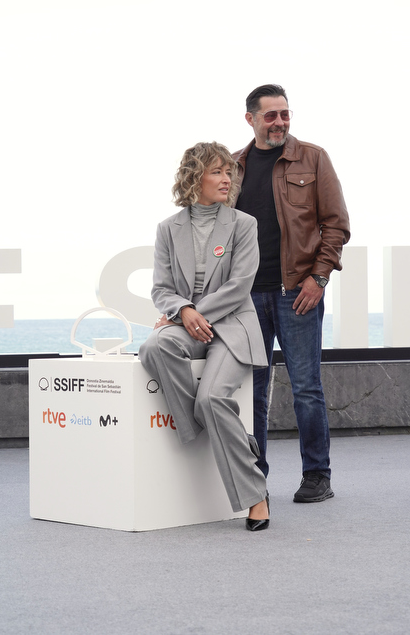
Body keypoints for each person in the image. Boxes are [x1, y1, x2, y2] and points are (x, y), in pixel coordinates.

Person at [139, 141, 270, 531]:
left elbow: (240, 285)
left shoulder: (243, 224)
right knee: (154, 346)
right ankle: (214, 429)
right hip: (187, 325)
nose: (227, 179)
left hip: (231, 326)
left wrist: (193, 313)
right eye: (217, 172)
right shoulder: (168, 229)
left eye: (229, 172)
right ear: (195, 178)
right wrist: (182, 311)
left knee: (212, 398)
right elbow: (161, 289)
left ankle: (255, 496)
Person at [233, 84, 350, 503]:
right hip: (246, 298)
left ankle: (317, 475)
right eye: (271, 115)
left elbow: (336, 225)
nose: (280, 122)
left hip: (297, 292)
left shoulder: (313, 158)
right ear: (251, 119)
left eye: (285, 114)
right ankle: (254, 478)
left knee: (306, 388)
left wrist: (318, 279)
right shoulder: (234, 166)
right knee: (252, 392)